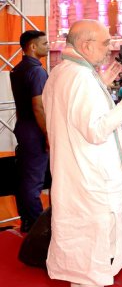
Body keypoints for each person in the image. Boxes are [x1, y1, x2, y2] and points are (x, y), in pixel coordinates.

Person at [43, 19, 122, 287]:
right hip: (91, 181)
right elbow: (96, 130)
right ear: (85, 45)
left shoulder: (63, 72)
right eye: (106, 42)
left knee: (85, 258)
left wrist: (102, 84)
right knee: (93, 258)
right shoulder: (81, 78)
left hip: (77, 177)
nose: (111, 48)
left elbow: (79, 116)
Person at [10, 30, 49, 233]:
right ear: (33, 47)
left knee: (25, 177)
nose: (48, 46)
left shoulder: (17, 69)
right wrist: (48, 134)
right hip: (35, 129)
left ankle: (27, 221)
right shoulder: (38, 71)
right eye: (44, 43)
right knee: (33, 181)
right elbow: (38, 106)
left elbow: (20, 106)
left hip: (23, 127)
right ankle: (36, 227)